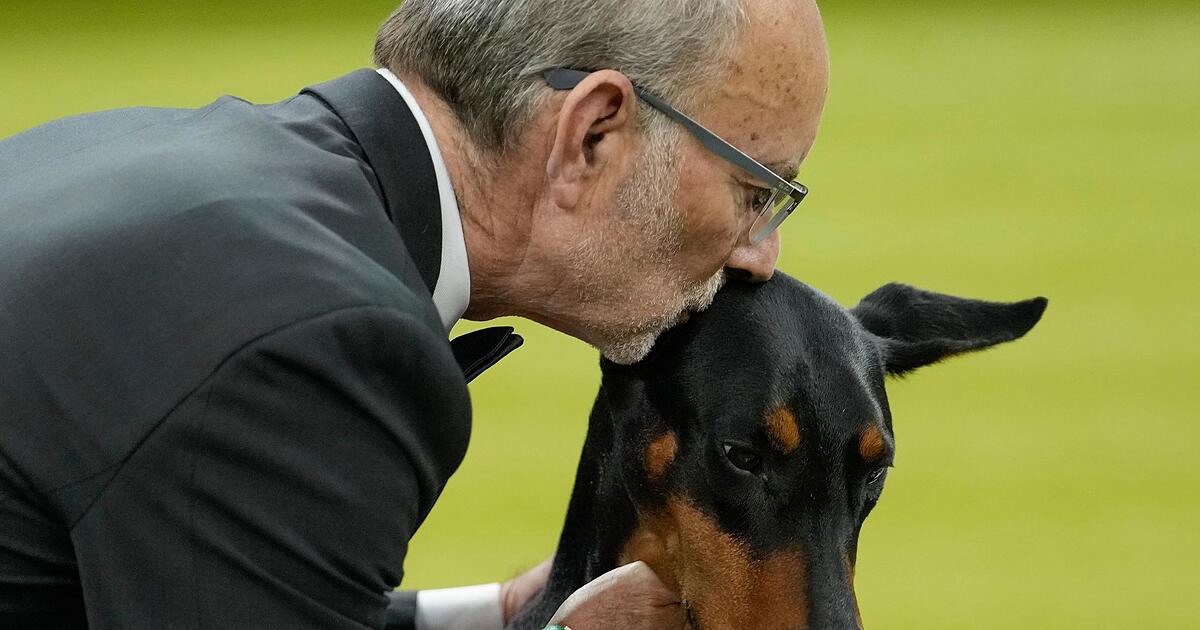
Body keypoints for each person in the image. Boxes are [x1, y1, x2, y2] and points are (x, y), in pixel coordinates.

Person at [0, 0, 829, 627]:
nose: (761, 253)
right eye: (754, 191)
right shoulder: (317, 338)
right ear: (592, 136)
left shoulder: (131, 155)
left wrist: (514, 613)